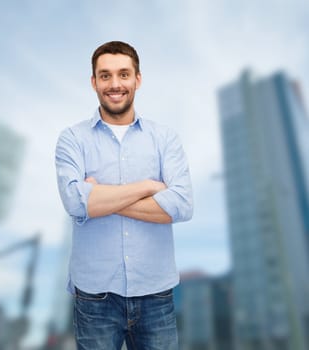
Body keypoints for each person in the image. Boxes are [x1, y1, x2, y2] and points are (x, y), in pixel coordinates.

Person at [55, 40, 193, 350]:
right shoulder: (72, 139)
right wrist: (147, 187)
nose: (114, 84)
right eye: (105, 76)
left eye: (123, 74)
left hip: (156, 294)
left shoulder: (165, 139)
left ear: (138, 79)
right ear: (94, 82)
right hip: (94, 297)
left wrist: (99, 198)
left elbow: (181, 205)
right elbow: (75, 202)